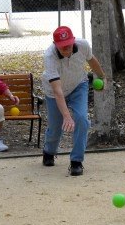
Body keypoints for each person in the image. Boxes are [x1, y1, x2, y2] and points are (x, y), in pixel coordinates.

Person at [41, 26, 107, 176]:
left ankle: (76, 161)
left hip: (78, 86)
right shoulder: (49, 57)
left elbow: (91, 60)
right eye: (63, 47)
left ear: (73, 40)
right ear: (55, 44)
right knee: (56, 126)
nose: (67, 49)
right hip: (54, 92)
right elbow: (57, 91)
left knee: (82, 120)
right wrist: (66, 116)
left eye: (69, 45)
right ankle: (49, 151)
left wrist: (102, 77)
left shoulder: (83, 45)